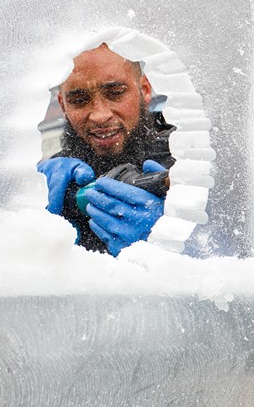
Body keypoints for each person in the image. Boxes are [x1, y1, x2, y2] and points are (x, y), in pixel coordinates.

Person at [37, 44, 174, 256]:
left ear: (145, 90)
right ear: (63, 105)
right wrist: (31, 200)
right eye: (79, 100)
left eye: (116, 93)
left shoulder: (189, 161)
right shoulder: (56, 177)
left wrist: (172, 238)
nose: (99, 116)